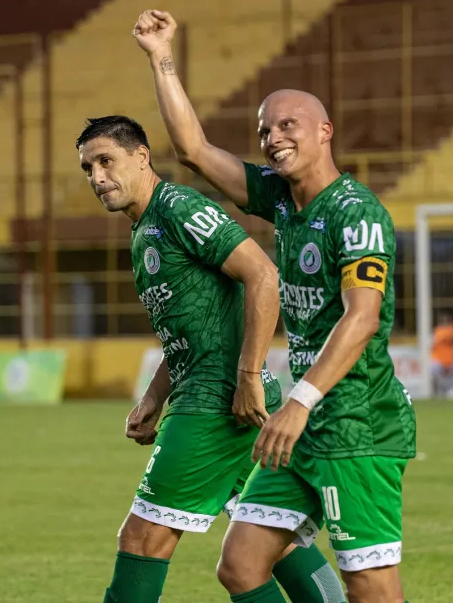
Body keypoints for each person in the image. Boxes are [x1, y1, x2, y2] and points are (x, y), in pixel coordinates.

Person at [133, 10, 417, 603]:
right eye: (265, 130)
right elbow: (192, 149)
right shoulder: (282, 200)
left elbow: (362, 317)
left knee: (370, 589)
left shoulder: (357, 213)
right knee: (240, 565)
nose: (273, 137)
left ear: (325, 131)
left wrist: (298, 402)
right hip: (306, 423)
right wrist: (160, 55)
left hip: (355, 423)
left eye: (289, 124)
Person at [76, 116, 346, 603]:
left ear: (141, 157)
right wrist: (154, 397)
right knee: (272, 541)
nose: (97, 177)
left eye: (106, 161)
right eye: (88, 169)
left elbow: (263, 275)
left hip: (214, 403)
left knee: (142, 540)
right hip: (225, 398)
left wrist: (247, 376)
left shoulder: (178, 207)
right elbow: (192, 331)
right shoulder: (144, 230)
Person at [431, 309, 453, 397]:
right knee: (434, 374)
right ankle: (436, 393)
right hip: (438, 358)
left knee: (451, 379)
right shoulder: (438, 329)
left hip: (449, 358)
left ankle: (447, 393)